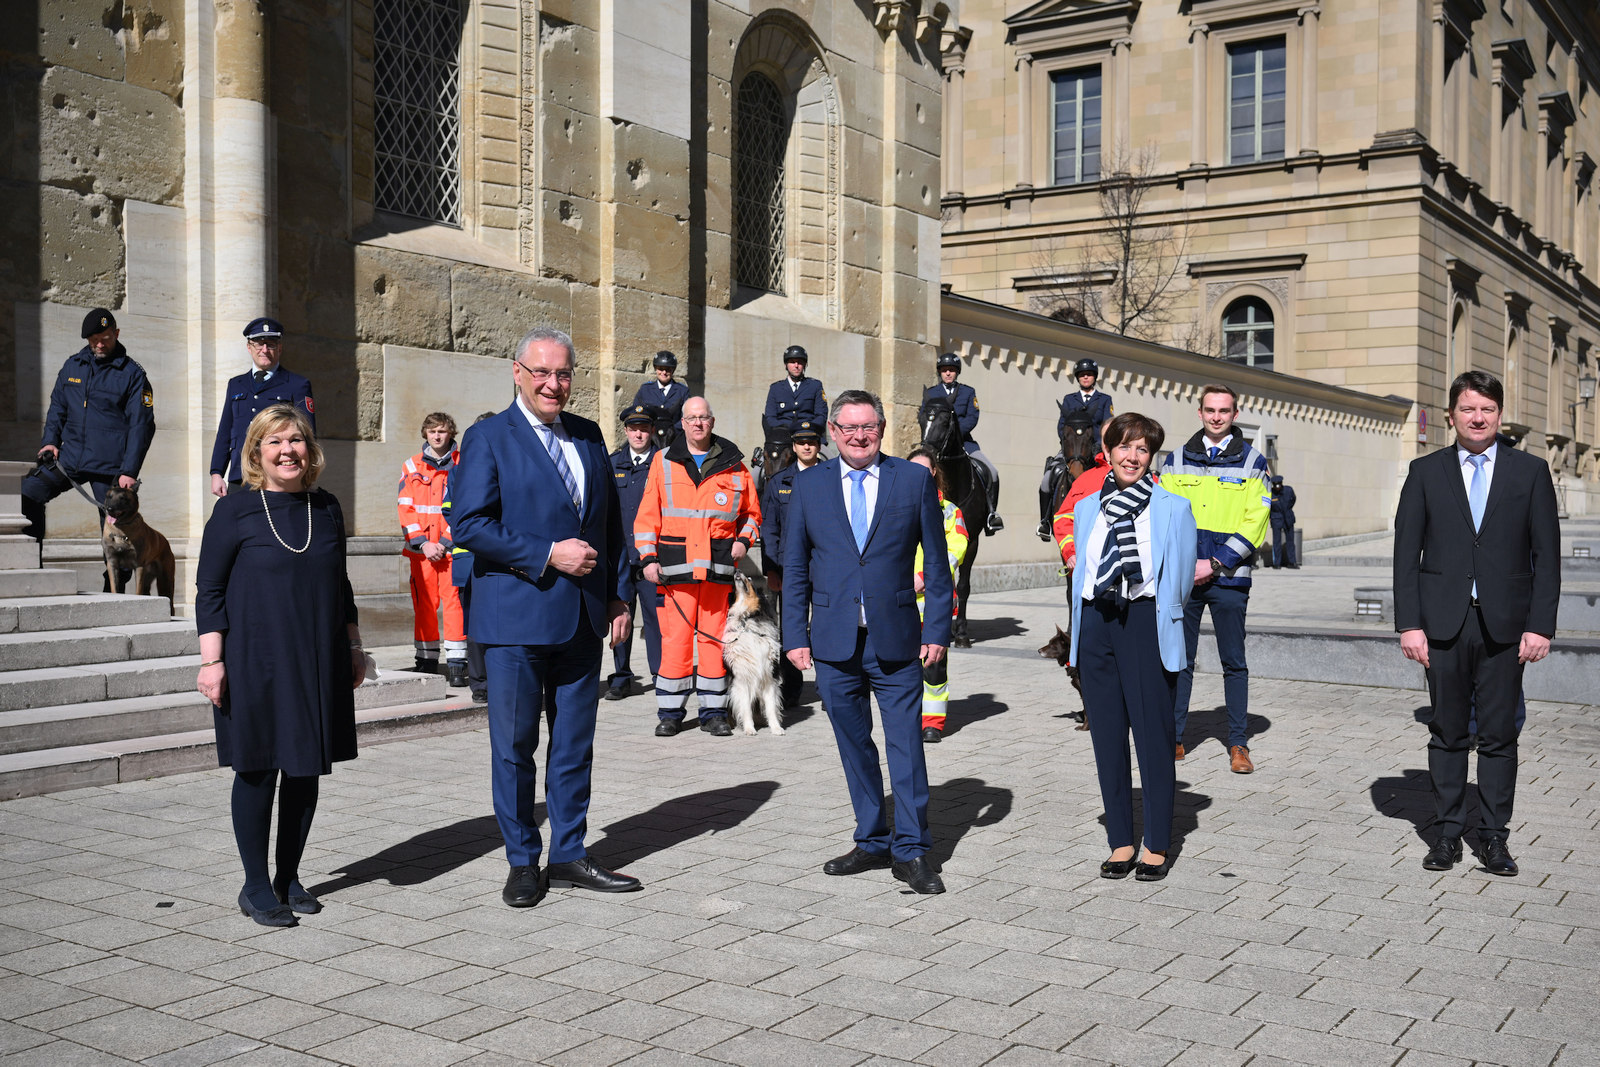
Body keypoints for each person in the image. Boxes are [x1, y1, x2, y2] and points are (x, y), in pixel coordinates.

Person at [450, 327, 639, 908]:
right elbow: (470, 525)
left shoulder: (587, 435)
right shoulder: (487, 438)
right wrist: (547, 553)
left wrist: (618, 595)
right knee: (514, 746)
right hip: (514, 621)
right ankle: (522, 861)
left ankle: (571, 853)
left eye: (563, 374)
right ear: (517, 372)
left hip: (582, 619)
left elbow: (608, 527)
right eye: (542, 373)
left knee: (574, 745)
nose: (554, 384)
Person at [194, 405, 364, 927]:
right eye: (275, 442)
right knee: (257, 768)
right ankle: (255, 884)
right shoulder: (236, 510)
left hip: (318, 655)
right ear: (256, 453)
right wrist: (212, 661)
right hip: (254, 660)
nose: (287, 451)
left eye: (296, 441)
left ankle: (289, 876)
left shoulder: (328, 508)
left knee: (305, 767)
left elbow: (341, 584)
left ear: (309, 451)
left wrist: (355, 646)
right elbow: (210, 589)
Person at [783, 389, 953, 895]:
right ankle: (872, 838)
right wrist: (796, 634)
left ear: (882, 429)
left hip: (897, 640)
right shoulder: (808, 486)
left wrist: (938, 630)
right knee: (853, 746)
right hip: (834, 644)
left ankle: (913, 849)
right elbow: (794, 568)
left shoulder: (913, 480)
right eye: (849, 428)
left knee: (905, 747)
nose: (860, 437)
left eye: (869, 428)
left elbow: (939, 566)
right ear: (833, 432)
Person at [1395, 370, 1559, 877]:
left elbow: (1546, 556)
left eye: (1487, 409)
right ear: (1451, 416)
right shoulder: (1425, 471)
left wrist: (1541, 626)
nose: (1478, 417)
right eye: (1468, 409)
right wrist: (1409, 624)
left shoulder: (1530, 471)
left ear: (1499, 415)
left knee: (1499, 735)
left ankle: (1493, 837)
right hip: (1442, 624)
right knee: (1446, 731)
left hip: (1506, 627)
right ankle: (1445, 834)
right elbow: (1406, 553)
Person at [1068, 413, 1197, 882]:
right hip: (1097, 622)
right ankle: (1121, 840)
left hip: (1144, 623)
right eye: (1124, 447)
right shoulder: (1087, 509)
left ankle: (1157, 842)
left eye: (1142, 449)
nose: (1132, 456)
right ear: (1109, 451)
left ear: (1152, 456)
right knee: (1106, 739)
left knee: (1152, 737)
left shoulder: (1172, 508)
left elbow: (1179, 583)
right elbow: (1081, 572)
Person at [634, 397, 761, 737]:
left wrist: (743, 542)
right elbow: (648, 516)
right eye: (691, 418)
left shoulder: (735, 465)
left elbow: (753, 514)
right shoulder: (662, 462)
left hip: (717, 570)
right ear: (683, 423)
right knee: (675, 640)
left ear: (712, 421)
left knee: (714, 641)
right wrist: (648, 558)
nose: (698, 424)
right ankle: (671, 713)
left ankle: (714, 712)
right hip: (675, 571)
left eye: (703, 418)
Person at [1159, 384, 1271, 770]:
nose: (1217, 417)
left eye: (1224, 410)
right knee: (1180, 659)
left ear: (1235, 414)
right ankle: (1173, 738)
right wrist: (1187, 563)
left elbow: (1256, 522)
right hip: (1185, 577)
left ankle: (1238, 743)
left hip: (1229, 578)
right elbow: (1165, 517)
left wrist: (1216, 562)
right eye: (1210, 410)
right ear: (1200, 412)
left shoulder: (1253, 462)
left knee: (1233, 661)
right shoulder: (1174, 460)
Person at [24, 308, 155, 543]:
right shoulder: (73, 367)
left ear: (116, 333)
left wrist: (129, 470)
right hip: (70, 458)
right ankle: (32, 559)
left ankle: (114, 580)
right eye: (94, 340)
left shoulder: (133, 375)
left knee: (116, 532)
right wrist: (50, 442)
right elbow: (57, 409)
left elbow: (141, 425)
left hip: (110, 465)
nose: (100, 345)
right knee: (27, 494)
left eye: (105, 339)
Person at [209, 318, 316, 497]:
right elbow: (225, 432)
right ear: (249, 347)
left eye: (271, 344)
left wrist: (306, 478)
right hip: (240, 474)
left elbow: (308, 435)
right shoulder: (236, 384)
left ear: (280, 348)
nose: (264, 350)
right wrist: (216, 472)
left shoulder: (297, 384)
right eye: (259, 344)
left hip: (277, 477)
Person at [759, 418, 824, 708]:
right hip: (789, 569)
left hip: (825, 567)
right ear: (793, 447)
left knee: (825, 625)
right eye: (801, 442)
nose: (806, 445)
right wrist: (771, 569)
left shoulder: (832, 477)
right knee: (792, 627)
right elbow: (769, 529)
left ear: (819, 444)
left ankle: (828, 685)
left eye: (811, 441)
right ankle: (793, 687)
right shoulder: (779, 482)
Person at [398, 413, 466, 683]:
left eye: (442, 431)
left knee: (454, 605)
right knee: (424, 605)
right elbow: (406, 507)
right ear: (424, 434)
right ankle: (426, 661)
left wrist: (445, 542)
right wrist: (424, 544)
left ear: (451, 433)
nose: (437, 436)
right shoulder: (411, 466)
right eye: (432, 431)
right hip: (422, 551)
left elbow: (465, 508)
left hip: (451, 550)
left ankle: (457, 664)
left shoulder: (464, 464)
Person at [907, 446, 968, 744]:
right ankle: (908, 718)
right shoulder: (894, 504)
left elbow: (957, 547)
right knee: (903, 667)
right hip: (900, 602)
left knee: (933, 665)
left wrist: (925, 578)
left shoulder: (950, 511)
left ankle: (933, 723)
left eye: (924, 469)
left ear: (934, 472)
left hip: (934, 602)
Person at [606, 404, 664, 701]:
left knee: (655, 619)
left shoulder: (664, 463)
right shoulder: (613, 462)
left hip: (651, 555)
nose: (638, 433)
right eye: (633, 428)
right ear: (626, 430)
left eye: (644, 428)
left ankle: (661, 675)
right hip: (619, 555)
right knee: (620, 613)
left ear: (652, 430)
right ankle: (621, 675)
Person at [443, 412, 498, 705]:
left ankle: (502, 680)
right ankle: (480, 683)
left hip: (503, 559)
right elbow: (449, 510)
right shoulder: (457, 471)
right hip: (469, 560)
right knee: (475, 626)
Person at [922, 351, 1003, 534]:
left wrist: (955, 434)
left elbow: (972, 417)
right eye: (944, 370)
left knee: (992, 472)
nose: (948, 373)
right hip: (935, 444)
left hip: (963, 443)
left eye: (951, 370)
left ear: (957, 372)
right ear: (940, 373)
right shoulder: (931, 394)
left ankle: (991, 514)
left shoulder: (968, 392)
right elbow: (924, 417)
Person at [762, 345, 828, 441]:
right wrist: (784, 429)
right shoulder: (775, 388)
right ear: (786, 365)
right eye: (792, 362)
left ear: (805, 364)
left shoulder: (815, 386)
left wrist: (806, 429)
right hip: (782, 437)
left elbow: (821, 415)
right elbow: (770, 417)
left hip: (810, 435)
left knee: (826, 455)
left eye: (800, 362)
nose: (796, 366)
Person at [1057, 357, 1115, 453]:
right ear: (1078, 378)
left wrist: (1100, 446)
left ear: (1095, 377)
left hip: (1096, 448)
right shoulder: (1069, 399)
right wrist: (1067, 442)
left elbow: (1108, 426)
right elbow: (1062, 425)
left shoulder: (1105, 399)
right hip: (1073, 448)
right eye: (1082, 375)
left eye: (1089, 374)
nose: (1085, 377)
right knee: (1055, 466)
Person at [631, 350, 689, 425]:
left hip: (674, 434)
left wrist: (672, 431)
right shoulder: (645, 390)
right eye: (661, 369)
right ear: (656, 369)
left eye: (668, 369)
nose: (664, 372)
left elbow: (687, 417)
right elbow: (637, 414)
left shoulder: (682, 391)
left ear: (673, 370)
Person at [1269, 476, 1298, 569]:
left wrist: (1288, 510)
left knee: (1290, 541)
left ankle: (1292, 562)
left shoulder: (1288, 490)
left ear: (1281, 484)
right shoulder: (1270, 493)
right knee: (1276, 541)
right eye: (1275, 485)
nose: (1277, 487)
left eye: (1279, 485)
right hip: (1276, 518)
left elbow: (1293, 499)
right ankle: (1277, 563)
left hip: (1288, 517)